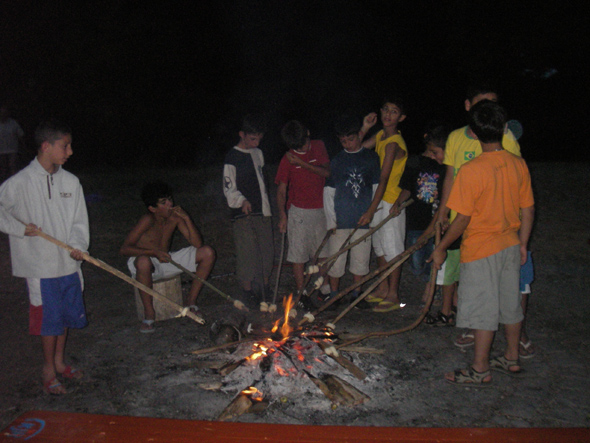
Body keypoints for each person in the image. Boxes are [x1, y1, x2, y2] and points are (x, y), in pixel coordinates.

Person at [429, 100, 534, 386]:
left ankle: (480, 368)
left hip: (480, 249)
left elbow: (462, 219)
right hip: (510, 245)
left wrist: (441, 248)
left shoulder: (472, 169)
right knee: (511, 305)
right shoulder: (518, 163)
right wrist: (523, 243)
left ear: (473, 133)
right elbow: (528, 208)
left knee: (483, 311)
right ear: (502, 129)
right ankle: (511, 358)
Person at [0, 119, 88, 395]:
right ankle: (48, 370)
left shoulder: (71, 182)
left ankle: (60, 363)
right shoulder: (20, 183)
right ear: (46, 146)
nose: (70, 151)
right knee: (49, 319)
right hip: (40, 266)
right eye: (65, 145)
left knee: (64, 316)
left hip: (68, 263)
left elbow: (79, 222)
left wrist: (77, 245)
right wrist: (18, 228)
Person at [436, 83, 522, 346]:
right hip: (460, 218)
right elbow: (450, 175)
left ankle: (495, 339)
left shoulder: (505, 140)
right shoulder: (455, 138)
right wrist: (443, 210)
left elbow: (515, 183)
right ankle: (470, 322)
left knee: (491, 280)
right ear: (467, 106)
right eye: (481, 102)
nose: (487, 108)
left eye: (492, 103)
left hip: (491, 224)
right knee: (461, 272)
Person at [120, 181, 215, 332]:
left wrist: (187, 218)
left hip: (165, 259)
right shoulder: (147, 220)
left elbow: (197, 244)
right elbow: (125, 249)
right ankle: (149, 314)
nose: (170, 204)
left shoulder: (175, 218)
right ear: (153, 208)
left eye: (170, 199)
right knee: (144, 262)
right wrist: (153, 253)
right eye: (164, 203)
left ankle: (191, 302)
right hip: (145, 261)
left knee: (207, 252)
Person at [321, 115, 381, 306]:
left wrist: (372, 214)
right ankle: (334, 294)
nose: (348, 144)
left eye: (351, 139)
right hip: (340, 221)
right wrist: (331, 221)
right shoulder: (338, 160)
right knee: (335, 260)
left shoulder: (371, 158)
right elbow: (329, 192)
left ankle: (357, 294)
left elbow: (376, 188)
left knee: (360, 260)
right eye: (343, 141)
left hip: (362, 220)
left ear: (359, 136)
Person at [359, 97, 408, 312]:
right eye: (386, 110)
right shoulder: (381, 135)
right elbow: (357, 147)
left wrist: (371, 210)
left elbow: (385, 178)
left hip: (390, 201)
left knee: (393, 249)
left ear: (401, 117)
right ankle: (382, 287)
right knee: (379, 246)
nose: (388, 115)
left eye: (394, 111)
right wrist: (365, 127)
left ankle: (394, 294)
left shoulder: (394, 144)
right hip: (377, 198)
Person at [223, 114, 274, 309]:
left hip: (262, 211)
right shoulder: (232, 157)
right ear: (242, 135)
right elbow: (228, 187)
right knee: (248, 253)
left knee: (266, 251)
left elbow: (262, 182)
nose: (256, 142)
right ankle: (247, 291)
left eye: (259, 138)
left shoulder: (257, 153)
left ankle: (264, 288)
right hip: (243, 214)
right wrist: (241, 200)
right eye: (253, 138)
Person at [275, 120, 330, 298]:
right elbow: (281, 190)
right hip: (298, 211)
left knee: (322, 252)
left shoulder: (318, 146)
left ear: (307, 133)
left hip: (321, 208)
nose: (305, 147)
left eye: (305, 143)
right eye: (299, 147)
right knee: (298, 255)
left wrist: (302, 162)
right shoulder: (287, 159)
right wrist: (283, 215)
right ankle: (301, 294)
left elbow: (327, 172)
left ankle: (324, 288)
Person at [0, 104, 25, 183]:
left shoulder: (13, 123)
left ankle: (14, 183)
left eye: (5, 113)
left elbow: (20, 135)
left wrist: (24, 146)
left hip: (12, 149)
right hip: (1, 150)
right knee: (3, 169)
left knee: (12, 167)